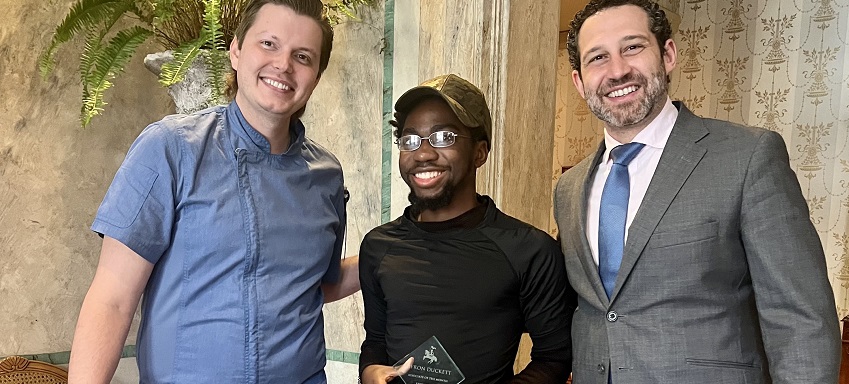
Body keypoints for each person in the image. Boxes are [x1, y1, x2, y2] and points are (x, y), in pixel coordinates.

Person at [67, 0, 359, 382]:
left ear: (316, 76)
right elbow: (113, 299)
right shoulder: (171, 149)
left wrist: (390, 250)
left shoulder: (326, 175)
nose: (283, 65)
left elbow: (316, 284)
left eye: (303, 56)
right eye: (268, 44)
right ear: (236, 51)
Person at [554, 0, 840, 382]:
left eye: (633, 47)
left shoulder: (748, 157)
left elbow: (801, 318)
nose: (618, 70)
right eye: (598, 58)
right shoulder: (569, 188)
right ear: (579, 81)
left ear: (668, 54)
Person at [358, 74, 577, 384]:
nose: (422, 154)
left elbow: (554, 356)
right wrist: (370, 372)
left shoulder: (528, 249)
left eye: (443, 137)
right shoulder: (378, 246)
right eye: (410, 140)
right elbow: (376, 341)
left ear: (480, 151)